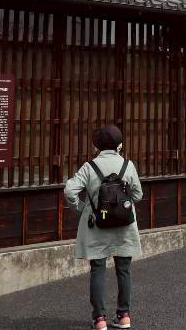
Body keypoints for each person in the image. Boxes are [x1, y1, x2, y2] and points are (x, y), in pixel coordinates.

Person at [64, 124, 143, 330]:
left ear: (96, 146)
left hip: (97, 224)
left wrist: (82, 208)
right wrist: (122, 204)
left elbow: (70, 191)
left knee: (97, 269)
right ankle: (124, 316)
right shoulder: (128, 165)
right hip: (124, 226)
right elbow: (138, 195)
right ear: (120, 145)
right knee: (124, 269)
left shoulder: (89, 167)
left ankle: (99, 319)